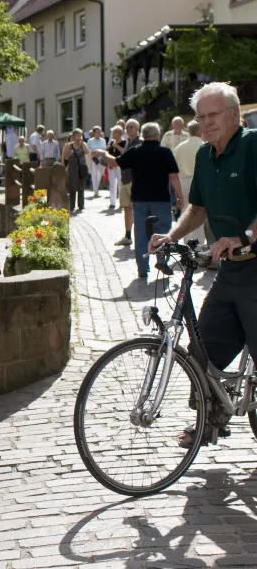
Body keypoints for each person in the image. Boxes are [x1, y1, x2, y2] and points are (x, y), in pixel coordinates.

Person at [148, 82, 257, 444]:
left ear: (234, 114)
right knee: (202, 348)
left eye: (213, 115)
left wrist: (243, 237)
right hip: (230, 271)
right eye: (201, 117)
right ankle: (212, 417)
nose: (206, 123)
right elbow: (197, 208)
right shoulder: (205, 156)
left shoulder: (252, 145)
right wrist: (172, 236)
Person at [103, 122, 184, 280]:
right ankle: (162, 261)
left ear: (144, 135)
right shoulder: (165, 152)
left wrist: (103, 154)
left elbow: (114, 162)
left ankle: (142, 268)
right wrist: (180, 196)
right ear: (157, 135)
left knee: (140, 234)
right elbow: (173, 176)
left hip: (139, 199)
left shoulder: (135, 151)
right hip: (161, 199)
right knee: (163, 232)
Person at [173, 120, 206, 244]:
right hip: (197, 180)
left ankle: (186, 242)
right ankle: (198, 244)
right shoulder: (203, 145)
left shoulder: (179, 147)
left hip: (182, 181)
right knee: (199, 212)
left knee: (186, 212)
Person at [113, 120, 143, 247]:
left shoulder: (140, 142)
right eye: (127, 127)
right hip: (125, 179)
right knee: (127, 208)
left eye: (132, 127)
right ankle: (128, 236)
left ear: (137, 129)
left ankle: (140, 236)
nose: (129, 129)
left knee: (137, 208)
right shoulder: (128, 142)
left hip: (134, 180)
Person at [63, 128, 90, 212]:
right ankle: (71, 205)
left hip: (81, 168)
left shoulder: (83, 144)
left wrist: (82, 144)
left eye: (81, 135)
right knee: (72, 188)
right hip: (73, 168)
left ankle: (81, 205)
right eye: (78, 135)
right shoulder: (69, 145)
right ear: (74, 136)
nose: (80, 136)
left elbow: (87, 152)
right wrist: (69, 154)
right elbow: (65, 157)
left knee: (81, 187)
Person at [105, 126, 126, 211]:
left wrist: (116, 146)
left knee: (120, 183)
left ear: (119, 133)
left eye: (114, 133)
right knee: (112, 183)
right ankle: (112, 202)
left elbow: (123, 151)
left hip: (119, 165)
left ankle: (122, 202)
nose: (113, 134)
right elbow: (108, 153)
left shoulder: (124, 142)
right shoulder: (111, 142)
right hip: (111, 165)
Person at [86, 126, 108, 197]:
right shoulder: (90, 141)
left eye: (100, 132)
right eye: (97, 132)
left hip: (101, 158)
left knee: (100, 174)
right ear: (94, 133)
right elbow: (88, 150)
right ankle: (95, 190)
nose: (99, 133)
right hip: (93, 158)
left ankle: (97, 187)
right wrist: (94, 152)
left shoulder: (103, 140)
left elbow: (104, 149)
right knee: (94, 174)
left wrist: (100, 153)